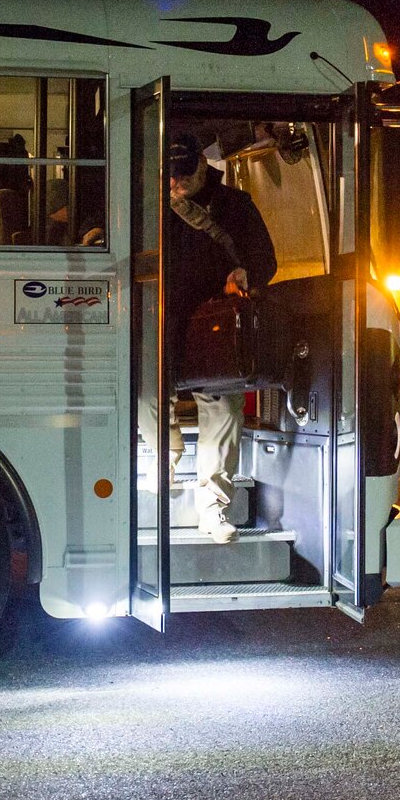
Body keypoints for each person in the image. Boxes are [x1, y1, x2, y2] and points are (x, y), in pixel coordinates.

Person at [141, 132, 277, 543]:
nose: (173, 185)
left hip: (212, 321)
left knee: (221, 413)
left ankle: (214, 508)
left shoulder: (234, 205)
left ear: (202, 165)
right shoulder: (148, 203)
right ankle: (166, 456)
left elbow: (265, 259)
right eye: (168, 176)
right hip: (159, 317)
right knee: (146, 394)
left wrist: (245, 274)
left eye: (181, 175)